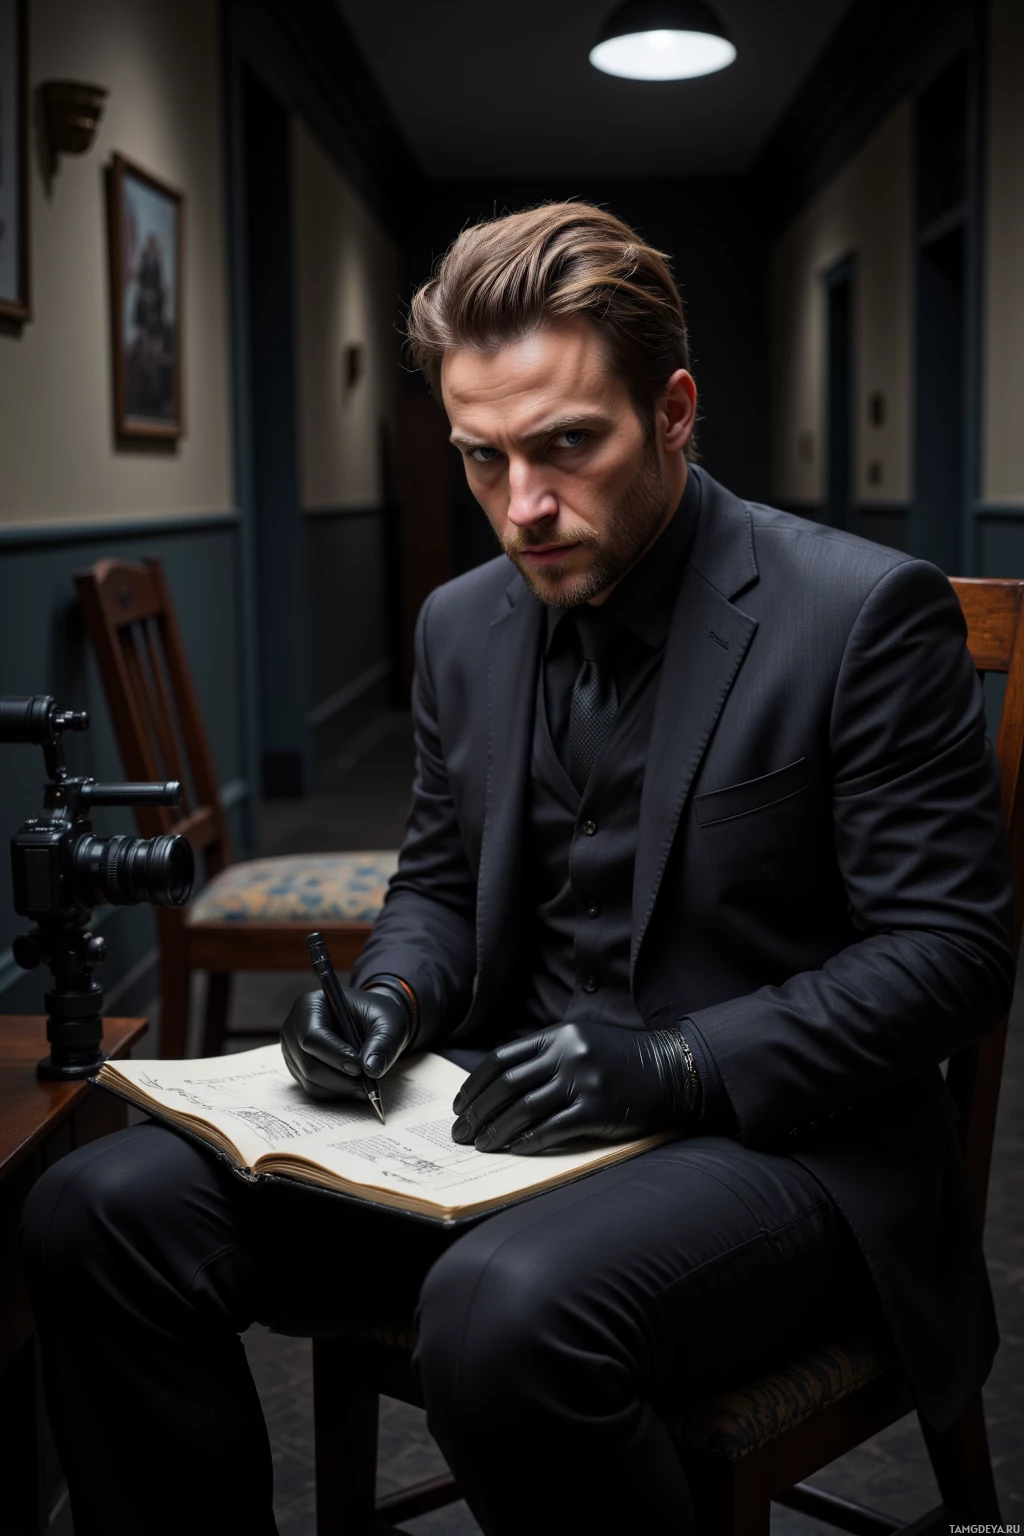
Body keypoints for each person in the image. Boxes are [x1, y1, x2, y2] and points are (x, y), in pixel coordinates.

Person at [22, 203, 1014, 1535]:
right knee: (96, 1207)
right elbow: (435, 885)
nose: (523, 509)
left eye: (567, 448)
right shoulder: (460, 625)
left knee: (500, 1311)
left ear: (672, 410)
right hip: (490, 1126)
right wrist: (398, 1001)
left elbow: (950, 960)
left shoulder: (861, 614)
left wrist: (674, 1063)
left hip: (784, 1153)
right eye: (481, 461)